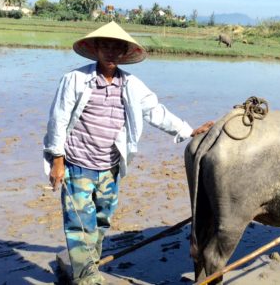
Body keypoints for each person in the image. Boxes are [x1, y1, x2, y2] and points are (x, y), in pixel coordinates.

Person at [42, 21, 213, 284]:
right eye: (105, 46)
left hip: (110, 167)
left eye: (116, 47)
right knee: (79, 225)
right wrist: (57, 160)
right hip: (78, 165)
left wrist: (189, 131)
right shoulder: (75, 80)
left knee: (101, 223)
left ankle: (87, 266)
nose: (110, 52)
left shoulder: (131, 86)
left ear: (123, 52)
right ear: (95, 48)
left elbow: (157, 112)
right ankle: (88, 278)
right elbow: (59, 119)